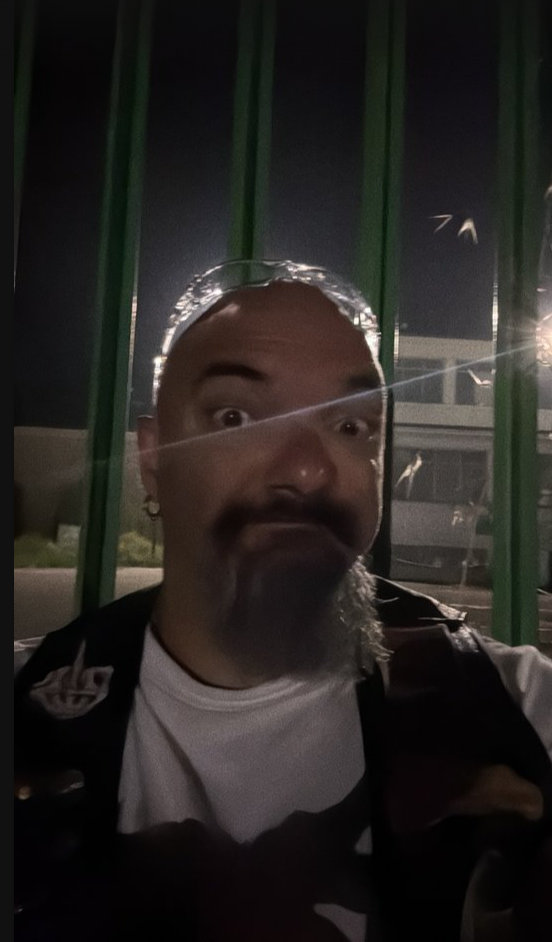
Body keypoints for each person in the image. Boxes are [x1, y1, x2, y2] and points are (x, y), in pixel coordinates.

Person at [15, 260, 552, 942]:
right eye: (235, 415)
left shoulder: (511, 709)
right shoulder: (26, 707)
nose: (307, 468)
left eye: (351, 426)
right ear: (153, 457)